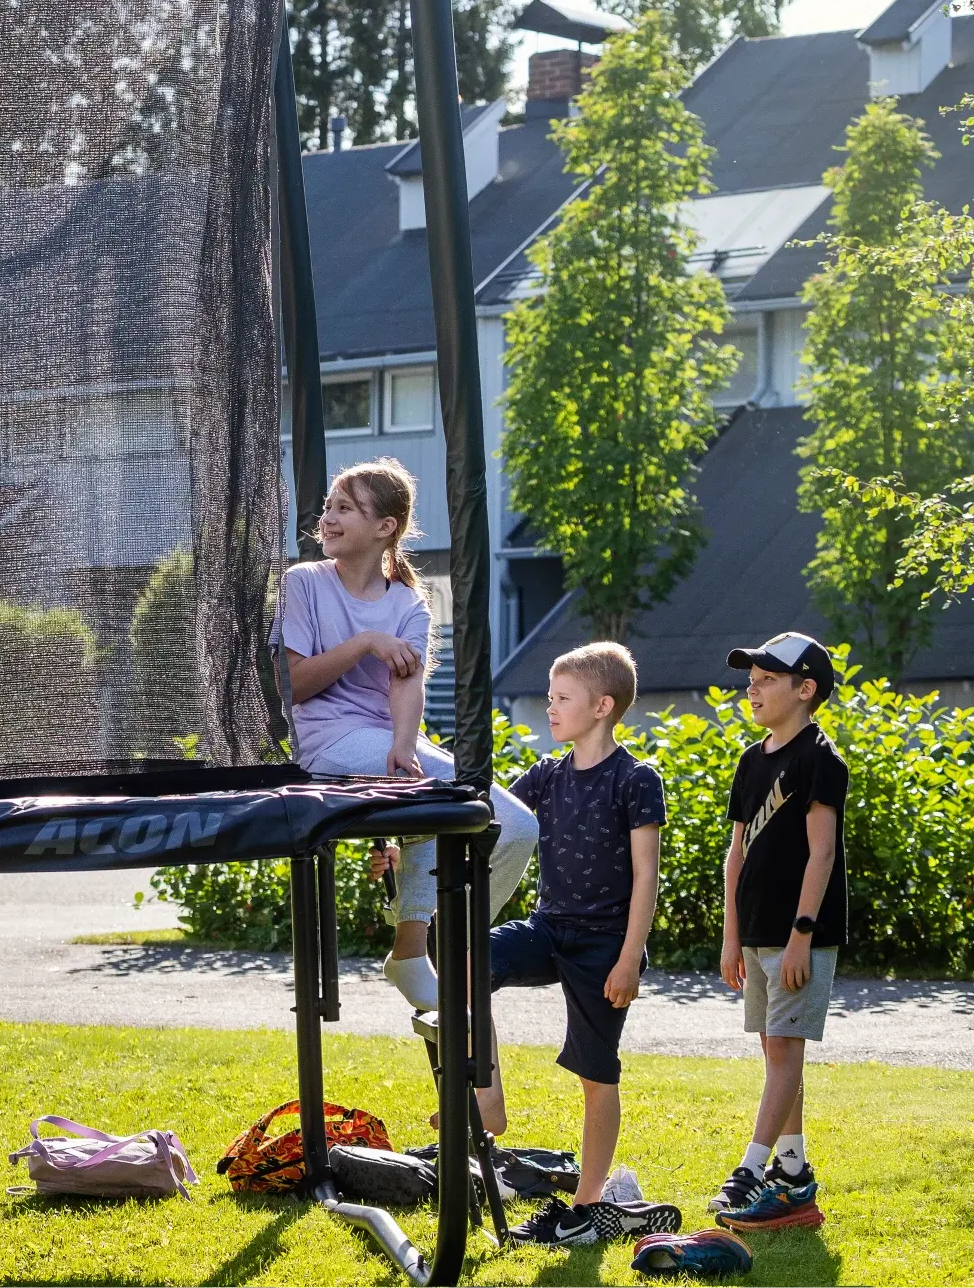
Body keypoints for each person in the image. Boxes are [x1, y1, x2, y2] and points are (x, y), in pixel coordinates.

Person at [271, 458, 538, 1011]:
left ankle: (421, 946)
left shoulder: (409, 604)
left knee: (512, 826)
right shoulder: (303, 584)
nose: (328, 519)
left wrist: (401, 745)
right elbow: (291, 686)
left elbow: (406, 688)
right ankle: (423, 950)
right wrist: (365, 642)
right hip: (325, 743)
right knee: (483, 812)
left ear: (384, 527)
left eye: (345, 508)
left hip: (379, 739)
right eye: (328, 508)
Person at [480, 642, 679, 1248]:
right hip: (549, 930)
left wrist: (627, 958)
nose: (551, 708)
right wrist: (404, 846)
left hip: (604, 947)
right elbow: (492, 820)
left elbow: (647, 876)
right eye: (550, 697)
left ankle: (588, 1208)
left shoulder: (635, 779)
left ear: (602, 706)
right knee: (470, 956)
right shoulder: (545, 775)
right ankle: (488, 1100)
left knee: (597, 1075)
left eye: (562, 698)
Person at [709, 632, 846, 1234]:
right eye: (752, 677)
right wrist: (731, 936)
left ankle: (751, 1167)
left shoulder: (820, 759)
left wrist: (802, 935)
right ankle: (792, 1174)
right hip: (757, 930)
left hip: (800, 935)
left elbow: (822, 855)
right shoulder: (751, 758)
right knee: (773, 1047)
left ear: (805, 689)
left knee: (785, 1048)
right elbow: (735, 855)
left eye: (767, 678)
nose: (753, 687)